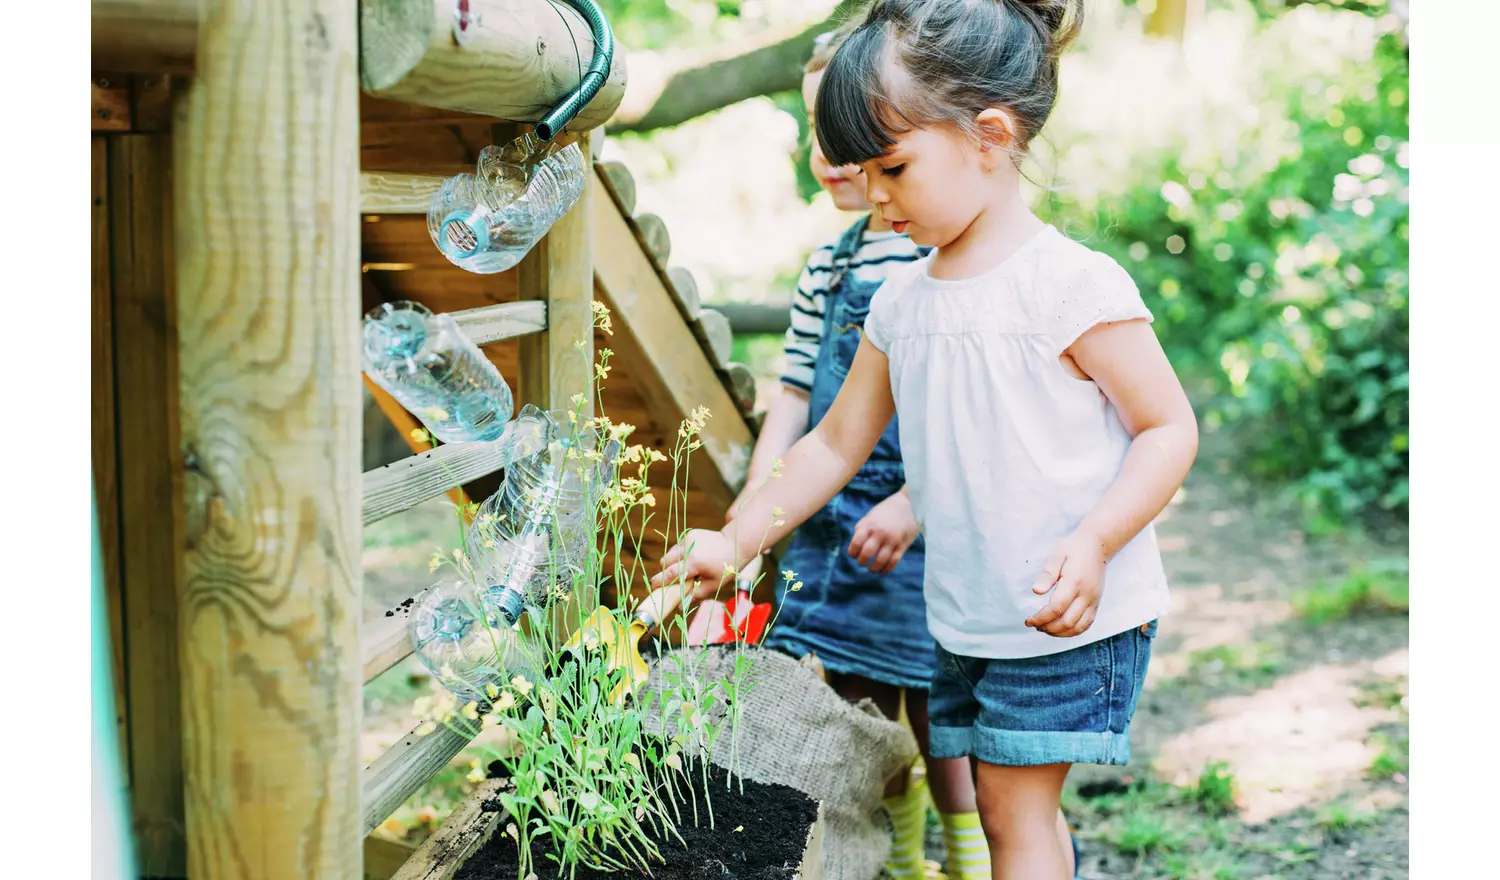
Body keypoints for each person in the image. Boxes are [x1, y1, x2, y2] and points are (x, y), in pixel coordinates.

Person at [655, 1, 1199, 877]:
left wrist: (1097, 542)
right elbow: (832, 445)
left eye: (894, 166)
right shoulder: (901, 302)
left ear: (990, 136)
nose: (874, 194)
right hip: (968, 614)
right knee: (1008, 806)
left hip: (1067, 612)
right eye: (863, 171)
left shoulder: (1071, 286)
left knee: (1011, 812)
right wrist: (736, 538)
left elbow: (1167, 428)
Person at [730, 22, 991, 880]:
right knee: (860, 713)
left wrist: (916, 500)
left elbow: (975, 408)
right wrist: (757, 508)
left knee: (943, 722)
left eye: (849, 134)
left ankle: (969, 859)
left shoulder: (947, 248)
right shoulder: (828, 266)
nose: (831, 155)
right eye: (817, 132)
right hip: (835, 526)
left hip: (934, 529)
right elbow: (797, 397)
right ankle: (902, 859)